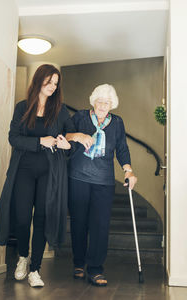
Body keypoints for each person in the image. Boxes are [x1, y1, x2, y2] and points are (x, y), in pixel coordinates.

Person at [0, 64, 75, 287]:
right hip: (23, 170)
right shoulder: (23, 107)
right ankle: (23, 256)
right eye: (49, 82)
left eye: (56, 84)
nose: (52, 87)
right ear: (39, 80)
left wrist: (67, 145)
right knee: (22, 217)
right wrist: (40, 141)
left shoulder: (61, 111)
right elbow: (14, 138)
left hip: (49, 172)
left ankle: (35, 269)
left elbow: (69, 138)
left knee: (41, 218)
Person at [66, 84, 137, 287]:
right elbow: (65, 136)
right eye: (100, 101)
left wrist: (128, 170)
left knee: (100, 225)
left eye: (107, 103)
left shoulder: (117, 123)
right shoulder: (80, 117)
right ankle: (78, 263)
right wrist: (78, 136)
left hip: (104, 181)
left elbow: (122, 148)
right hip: (78, 177)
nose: (103, 105)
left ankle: (95, 269)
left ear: (112, 105)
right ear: (93, 101)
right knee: (79, 222)